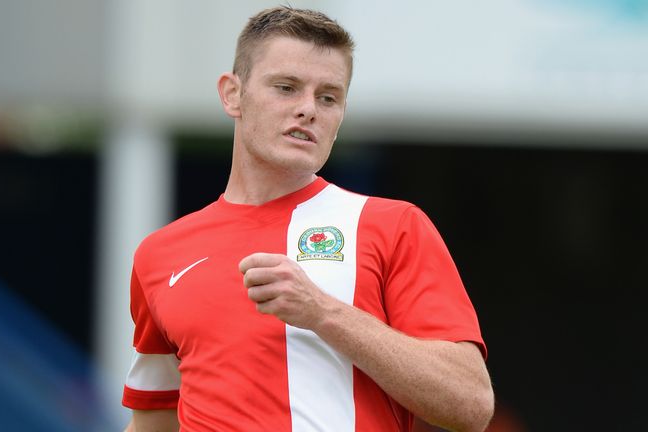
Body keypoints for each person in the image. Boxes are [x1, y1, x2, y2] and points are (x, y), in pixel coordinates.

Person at [122, 6, 494, 432]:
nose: (308, 110)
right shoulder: (159, 254)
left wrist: (321, 312)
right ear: (232, 94)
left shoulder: (392, 226)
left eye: (328, 97)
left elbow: (471, 405)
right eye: (286, 87)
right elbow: (154, 420)